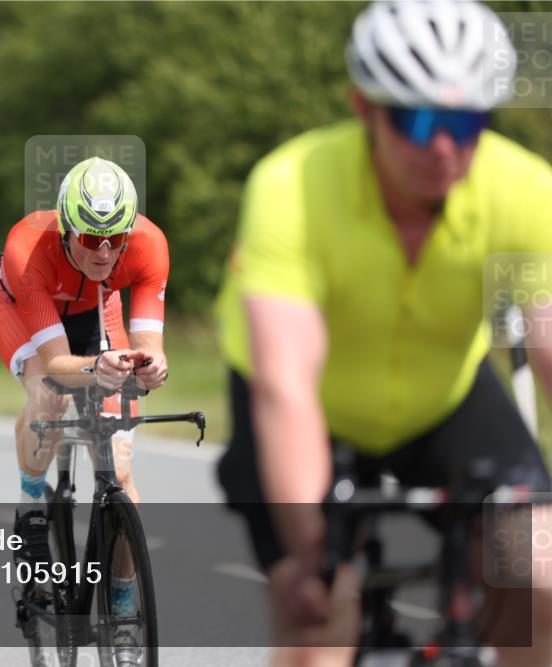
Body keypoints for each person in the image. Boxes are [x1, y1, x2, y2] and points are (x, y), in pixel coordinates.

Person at [215, 2, 552, 665]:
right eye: (418, 120)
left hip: (442, 400)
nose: (444, 147)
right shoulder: (294, 187)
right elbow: (286, 380)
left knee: (539, 579)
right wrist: (312, 549)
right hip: (308, 409)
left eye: (466, 123)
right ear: (365, 109)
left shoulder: (524, 190)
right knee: (319, 609)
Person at [0, 157, 169, 617]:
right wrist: (95, 369)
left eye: (115, 240)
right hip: (21, 304)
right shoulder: (28, 247)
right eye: (89, 239)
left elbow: (148, 343)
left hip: (94, 309)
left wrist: (150, 365)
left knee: (122, 473)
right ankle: (31, 509)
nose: (104, 253)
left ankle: (123, 611)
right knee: (48, 391)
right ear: (67, 228)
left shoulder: (148, 246)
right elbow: (58, 364)